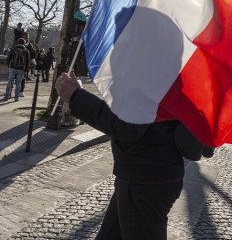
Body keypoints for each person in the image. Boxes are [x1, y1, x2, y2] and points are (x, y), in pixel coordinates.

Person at [55, 70, 185, 240]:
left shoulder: (152, 65)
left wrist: (76, 97)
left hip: (145, 181)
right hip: (146, 175)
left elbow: (127, 126)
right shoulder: (161, 61)